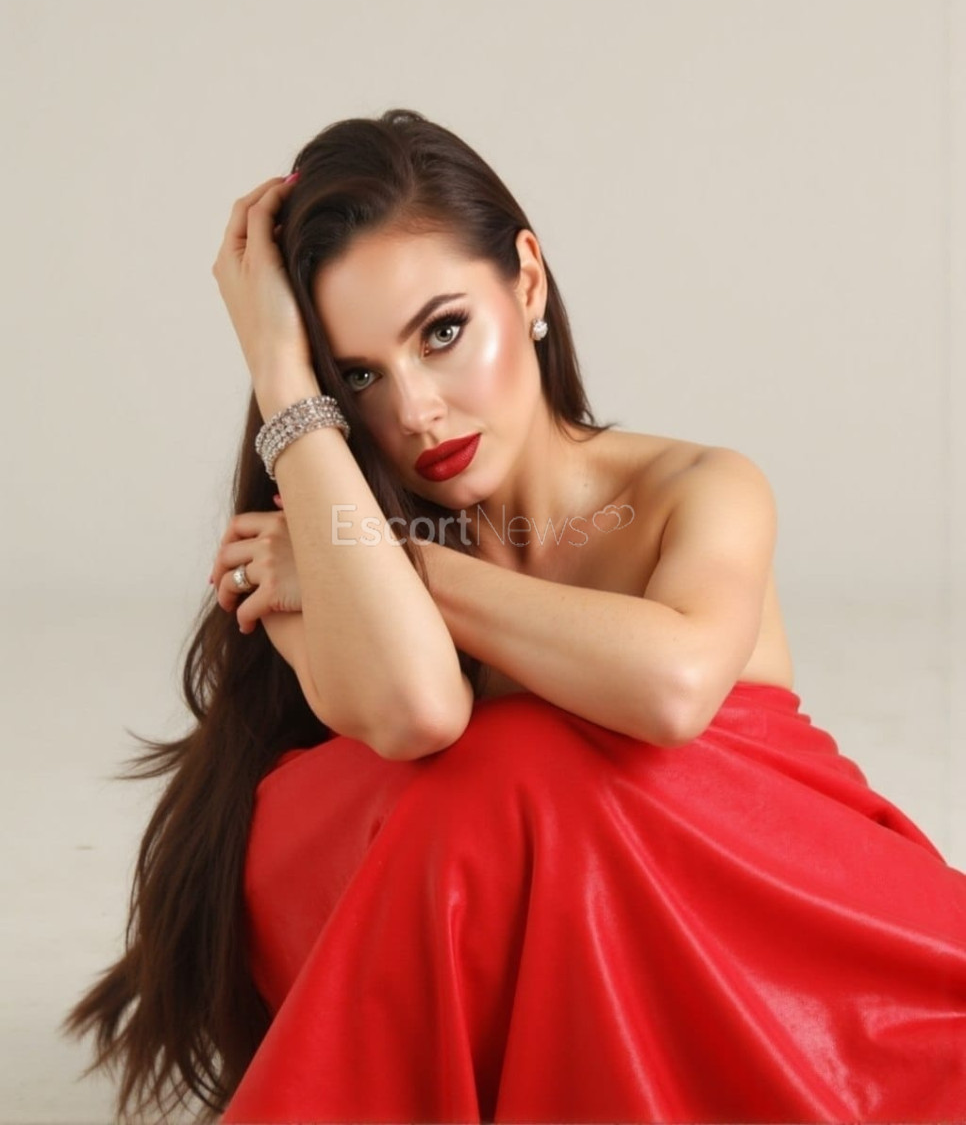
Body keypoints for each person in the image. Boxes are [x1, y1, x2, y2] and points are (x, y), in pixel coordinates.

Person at [62, 108, 966, 1124]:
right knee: (499, 772)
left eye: (442, 333)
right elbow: (416, 714)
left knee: (527, 765)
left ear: (526, 281)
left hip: (772, 949)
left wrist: (391, 561)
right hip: (417, 933)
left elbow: (670, 691)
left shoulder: (696, 487)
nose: (415, 410)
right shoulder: (307, 525)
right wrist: (278, 372)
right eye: (357, 376)